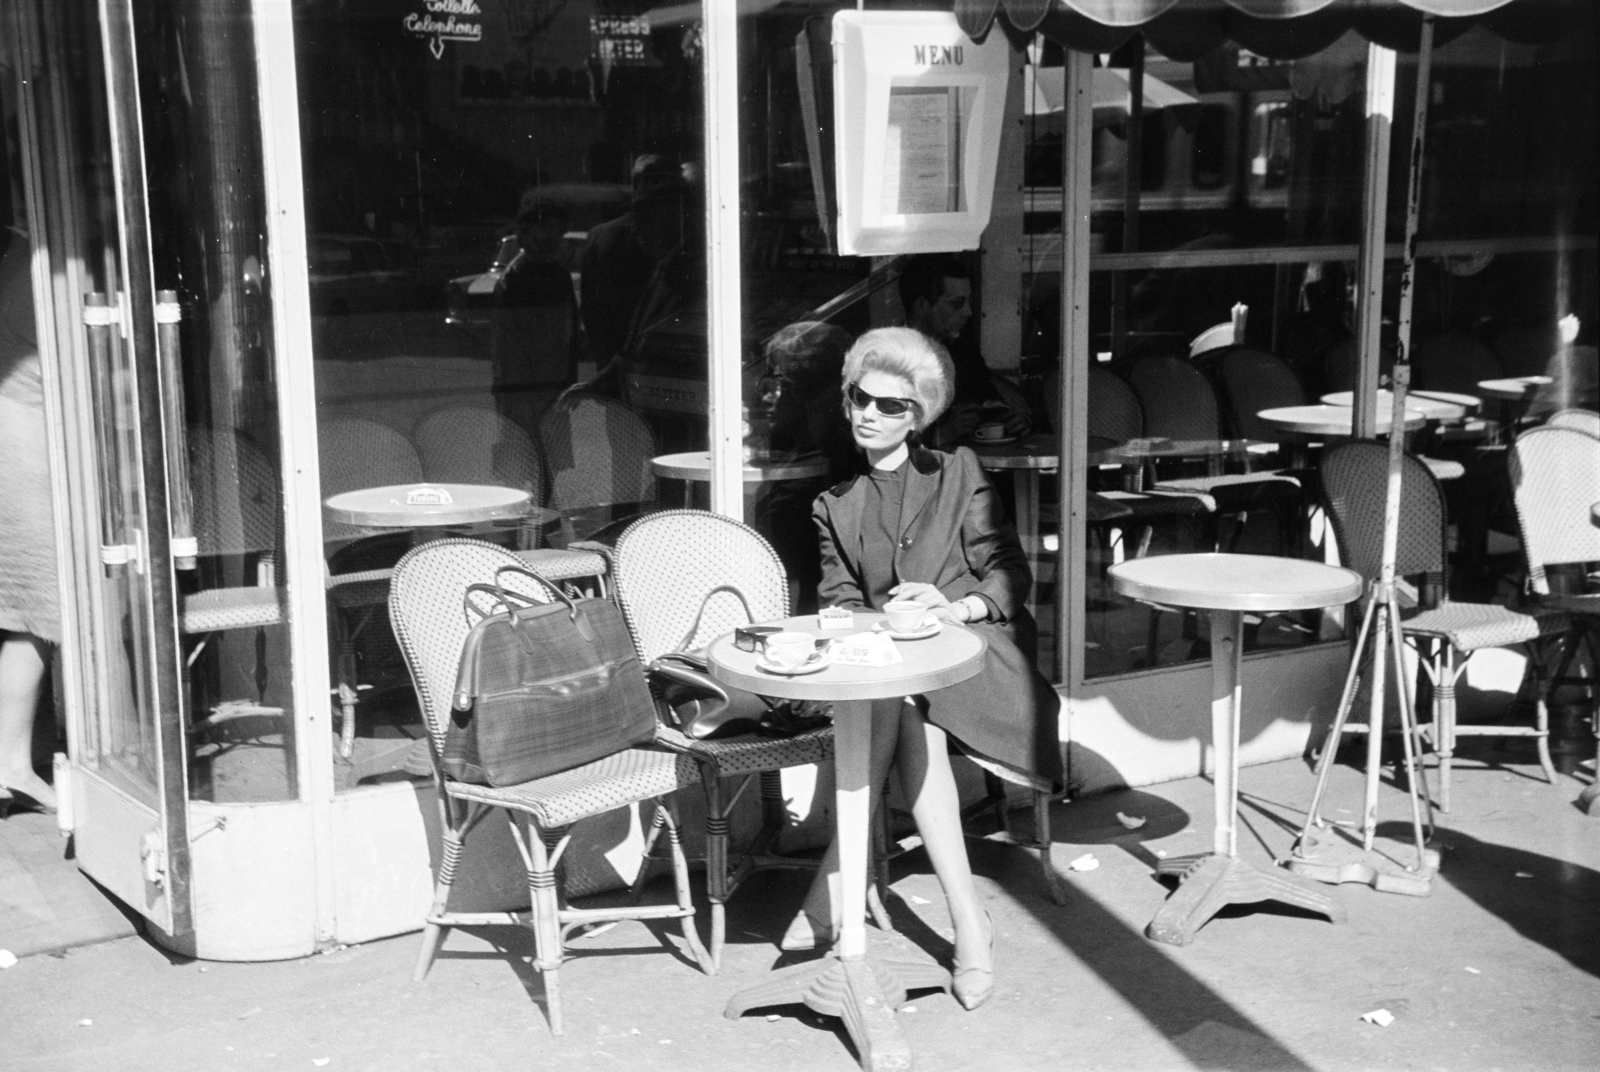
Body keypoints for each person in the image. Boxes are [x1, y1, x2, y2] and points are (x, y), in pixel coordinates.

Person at [788, 327, 1063, 1010]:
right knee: (906, 708)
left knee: (908, 707)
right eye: (860, 398)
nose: (868, 414)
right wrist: (879, 624)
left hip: (979, 656)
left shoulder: (960, 472)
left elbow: (1009, 575)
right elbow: (840, 602)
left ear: (920, 416)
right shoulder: (835, 504)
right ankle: (970, 921)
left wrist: (954, 606)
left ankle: (838, 881)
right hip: (895, 665)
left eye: (890, 406)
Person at [0, 211, 58, 817]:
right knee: (39, 615)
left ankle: (13, 760)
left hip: (19, 445)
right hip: (29, 453)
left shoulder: (22, 256)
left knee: (29, 615)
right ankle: (13, 765)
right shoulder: (41, 263)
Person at [898, 255, 1031, 447]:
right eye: (957, 303)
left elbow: (989, 401)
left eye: (969, 301)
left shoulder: (963, 352)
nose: (968, 311)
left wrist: (1015, 422)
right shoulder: (889, 357)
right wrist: (943, 434)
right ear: (922, 306)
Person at [490, 194, 582, 434]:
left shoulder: (556, 273)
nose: (555, 239)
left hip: (551, 387)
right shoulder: (516, 277)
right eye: (549, 230)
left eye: (558, 232)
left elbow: (569, 333)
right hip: (526, 391)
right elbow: (506, 347)